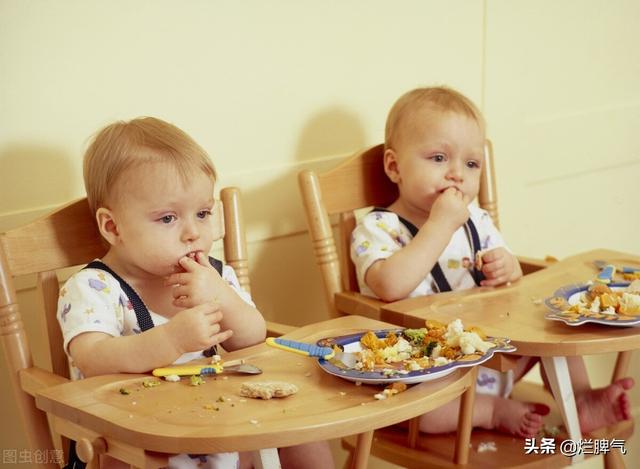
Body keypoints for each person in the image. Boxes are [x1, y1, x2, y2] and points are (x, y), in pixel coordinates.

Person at [350, 86, 634, 437]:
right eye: (439, 158)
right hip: (424, 375)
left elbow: (511, 278)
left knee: (555, 328)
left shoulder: (477, 220)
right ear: (394, 166)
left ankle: (580, 401)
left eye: (471, 164)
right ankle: (490, 411)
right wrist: (440, 224)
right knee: (417, 413)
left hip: (489, 360)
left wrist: (507, 268)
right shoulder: (379, 227)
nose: (456, 173)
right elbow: (390, 286)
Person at [57, 117, 333, 468]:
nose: (192, 232)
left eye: (202, 213)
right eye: (168, 218)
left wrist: (221, 296)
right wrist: (170, 341)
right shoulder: (94, 287)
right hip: (134, 438)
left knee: (305, 436)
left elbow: (252, 338)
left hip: (214, 417)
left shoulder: (212, 274)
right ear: (113, 227)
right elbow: (92, 358)